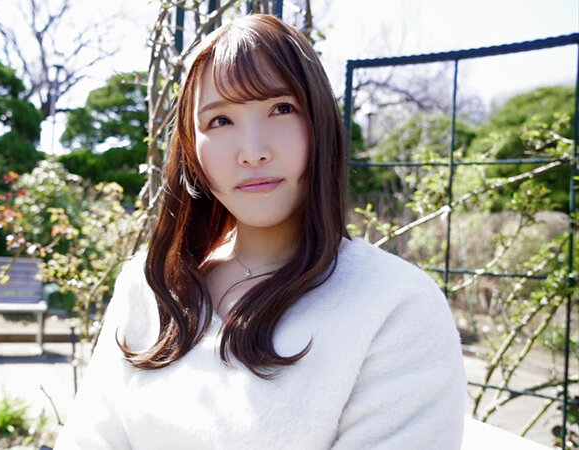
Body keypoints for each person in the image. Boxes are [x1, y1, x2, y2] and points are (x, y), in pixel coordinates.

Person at [54, 13, 466, 450]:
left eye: (281, 109)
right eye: (220, 121)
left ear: (320, 124)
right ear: (192, 149)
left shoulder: (395, 303)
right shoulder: (150, 284)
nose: (252, 152)